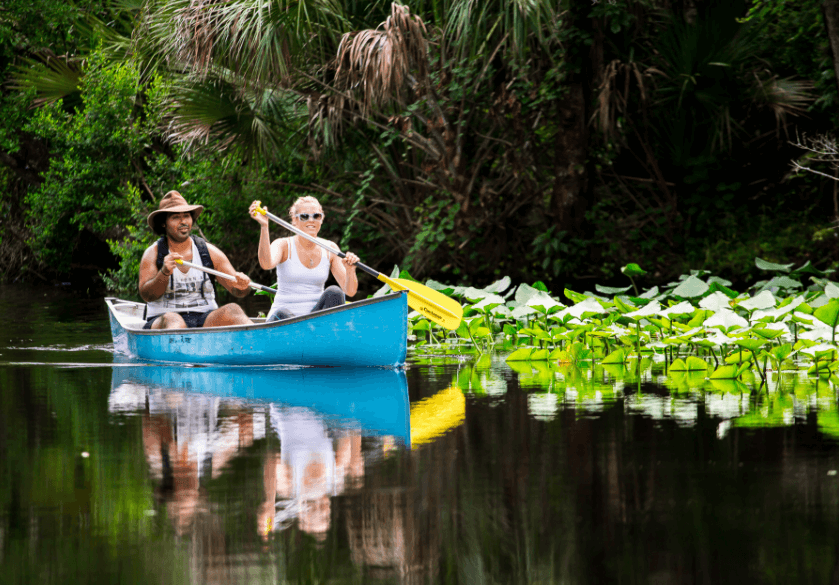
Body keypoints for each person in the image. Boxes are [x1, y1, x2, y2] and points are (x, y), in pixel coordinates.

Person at [139, 191, 253, 329]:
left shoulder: (209, 252)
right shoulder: (152, 253)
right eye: (176, 217)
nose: (183, 222)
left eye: (186, 216)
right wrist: (164, 272)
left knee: (233, 310)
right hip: (164, 318)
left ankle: (262, 342)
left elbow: (237, 291)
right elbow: (147, 295)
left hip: (204, 318)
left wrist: (242, 286)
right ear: (164, 223)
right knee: (174, 321)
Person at [248, 196, 359, 321]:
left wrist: (350, 270)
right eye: (305, 216)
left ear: (321, 219)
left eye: (316, 216)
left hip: (315, 321)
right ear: (295, 220)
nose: (311, 220)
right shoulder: (283, 245)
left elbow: (350, 291)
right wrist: (264, 227)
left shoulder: (330, 248)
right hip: (284, 319)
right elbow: (266, 264)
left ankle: (319, 335)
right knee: (283, 314)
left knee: (335, 292)